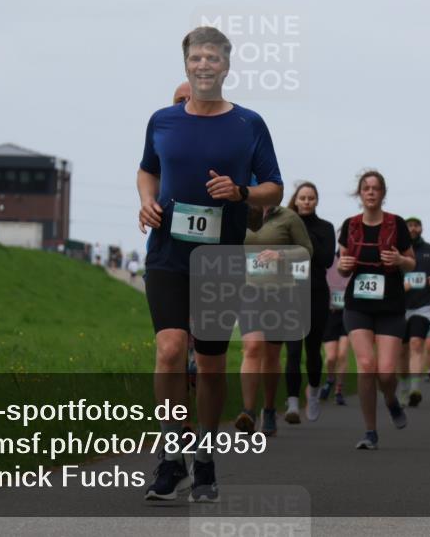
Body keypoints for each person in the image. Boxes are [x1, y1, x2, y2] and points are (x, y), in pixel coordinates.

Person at [138, 26, 284, 502]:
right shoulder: (162, 120)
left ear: (227, 65)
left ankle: (203, 457)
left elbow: (274, 188)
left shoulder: (248, 124)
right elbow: (148, 169)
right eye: (196, 58)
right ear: (186, 64)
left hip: (220, 257)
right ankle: (170, 456)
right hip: (167, 252)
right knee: (170, 349)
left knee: (214, 363)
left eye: (213, 59)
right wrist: (146, 201)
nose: (204, 65)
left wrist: (242, 192)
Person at [336, 170, 415, 450]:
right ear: (359, 194)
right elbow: (342, 266)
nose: (370, 192)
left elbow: (411, 263)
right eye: (366, 188)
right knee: (367, 366)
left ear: (383, 193)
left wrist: (399, 259)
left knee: (385, 373)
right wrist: (342, 267)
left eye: (376, 188)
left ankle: (391, 400)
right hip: (358, 305)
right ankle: (370, 431)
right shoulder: (350, 225)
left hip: (390, 305)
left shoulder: (397, 224)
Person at [236, 204, 313, 436]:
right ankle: (248, 412)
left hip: (281, 293)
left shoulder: (288, 217)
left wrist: (281, 254)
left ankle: (268, 409)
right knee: (252, 347)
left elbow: (307, 250)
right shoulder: (240, 213)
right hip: (249, 291)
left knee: (271, 355)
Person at [284, 182, 336, 423]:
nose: (306, 201)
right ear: (295, 200)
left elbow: (326, 259)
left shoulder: (326, 228)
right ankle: (292, 403)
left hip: (316, 292)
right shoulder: (284, 224)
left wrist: (303, 236)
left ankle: (313, 393)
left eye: (311, 198)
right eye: (302, 197)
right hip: (291, 292)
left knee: (312, 350)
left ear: (316, 201)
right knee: (293, 350)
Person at [399, 216, 430, 407]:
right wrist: (400, 286)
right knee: (402, 352)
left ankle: (415, 389)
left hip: (424, 307)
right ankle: (403, 387)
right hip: (399, 308)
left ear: (422, 228)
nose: (413, 229)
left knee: (417, 344)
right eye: (409, 226)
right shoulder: (398, 252)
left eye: (416, 225)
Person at [321, 252, 350, 405]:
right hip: (331, 314)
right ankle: (330, 378)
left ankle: (339, 390)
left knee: (342, 354)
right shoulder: (329, 260)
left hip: (348, 314)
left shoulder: (357, 260)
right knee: (331, 356)